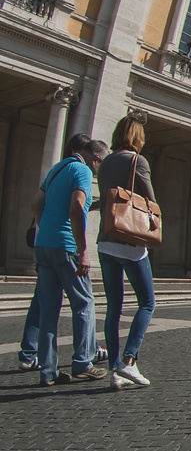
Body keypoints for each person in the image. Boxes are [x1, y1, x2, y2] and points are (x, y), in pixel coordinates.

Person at [32, 134, 109, 385]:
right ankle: (83, 363)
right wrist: (83, 250)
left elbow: (36, 203)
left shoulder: (57, 168)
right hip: (67, 247)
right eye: (101, 165)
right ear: (95, 159)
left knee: (48, 309)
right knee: (84, 303)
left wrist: (47, 229)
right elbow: (77, 206)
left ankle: (48, 371)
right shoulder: (83, 171)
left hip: (44, 244)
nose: (98, 171)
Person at [98, 117, 159, 389]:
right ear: (137, 137)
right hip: (130, 241)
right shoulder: (137, 161)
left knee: (114, 306)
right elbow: (150, 199)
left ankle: (113, 370)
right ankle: (129, 360)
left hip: (105, 240)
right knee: (147, 302)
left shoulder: (106, 162)